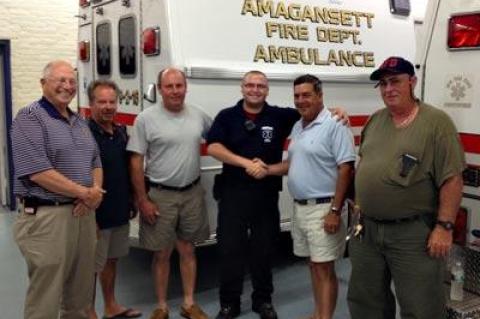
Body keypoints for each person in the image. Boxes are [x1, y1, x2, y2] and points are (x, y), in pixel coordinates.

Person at [207, 71, 349, 319]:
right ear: (242, 88)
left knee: (264, 251)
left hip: (266, 197)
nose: (255, 89)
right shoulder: (227, 116)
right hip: (233, 196)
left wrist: (339, 109)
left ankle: (263, 301)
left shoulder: (283, 116)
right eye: (250, 85)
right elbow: (214, 146)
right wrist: (245, 163)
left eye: (260, 85)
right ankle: (229, 304)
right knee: (230, 251)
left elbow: (315, 110)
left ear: (267, 90)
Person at [347, 56, 466, 319]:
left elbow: (452, 179)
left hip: (412, 234)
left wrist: (444, 227)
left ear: (412, 82)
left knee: (420, 304)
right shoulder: (375, 121)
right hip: (367, 230)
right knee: (366, 301)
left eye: (395, 81)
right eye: (383, 84)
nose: (388, 89)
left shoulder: (436, 123)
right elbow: (365, 164)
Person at [11, 60, 104, 319]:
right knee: (46, 297)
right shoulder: (29, 117)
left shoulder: (79, 121)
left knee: (80, 294)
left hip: (82, 214)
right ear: (43, 84)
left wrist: (94, 193)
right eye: (60, 80)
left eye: (72, 81)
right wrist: (84, 193)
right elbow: (38, 171)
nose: (67, 86)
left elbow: (95, 161)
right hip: (47, 217)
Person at [127, 68, 211, 319]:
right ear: (160, 89)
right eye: (169, 86)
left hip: (192, 193)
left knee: (188, 250)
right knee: (161, 253)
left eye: (179, 85)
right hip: (159, 195)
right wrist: (142, 199)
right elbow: (135, 161)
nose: (175, 91)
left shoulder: (199, 116)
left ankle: (188, 303)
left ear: (186, 87)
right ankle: (161, 307)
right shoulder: (145, 119)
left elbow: (222, 136)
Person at [286, 74, 355, 319]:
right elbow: (292, 163)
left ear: (320, 96)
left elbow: (346, 168)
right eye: (297, 96)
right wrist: (265, 169)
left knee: (325, 268)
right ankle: (318, 314)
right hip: (301, 208)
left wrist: (335, 211)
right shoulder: (298, 126)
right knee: (314, 265)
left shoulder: (335, 123)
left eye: (306, 95)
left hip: (325, 208)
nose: (301, 100)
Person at [87, 80, 142, 319]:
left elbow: (126, 169)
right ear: (91, 104)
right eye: (102, 102)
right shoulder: (84, 134)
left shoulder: (120, 132)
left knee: (111, 260)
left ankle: (111, 306)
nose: (108, 107)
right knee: (89, 267)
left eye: (112, 101)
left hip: (118, 209)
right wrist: (91, 215)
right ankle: (88, 312)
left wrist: (132, 200)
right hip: (95, 214)